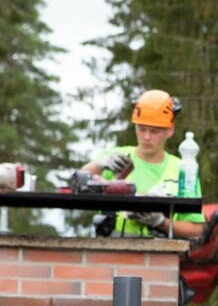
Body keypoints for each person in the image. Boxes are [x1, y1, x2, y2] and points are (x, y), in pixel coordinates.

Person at [81, 89, 205, 238]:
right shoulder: (116, 157)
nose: (146, 137)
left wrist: (160, 222)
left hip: (159, 256)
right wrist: (100, 164)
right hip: (111, 251)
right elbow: (79, 182)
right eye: (142, 129)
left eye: (154, 131)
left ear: (170, 131)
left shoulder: (183, 170)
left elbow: (196, 230)